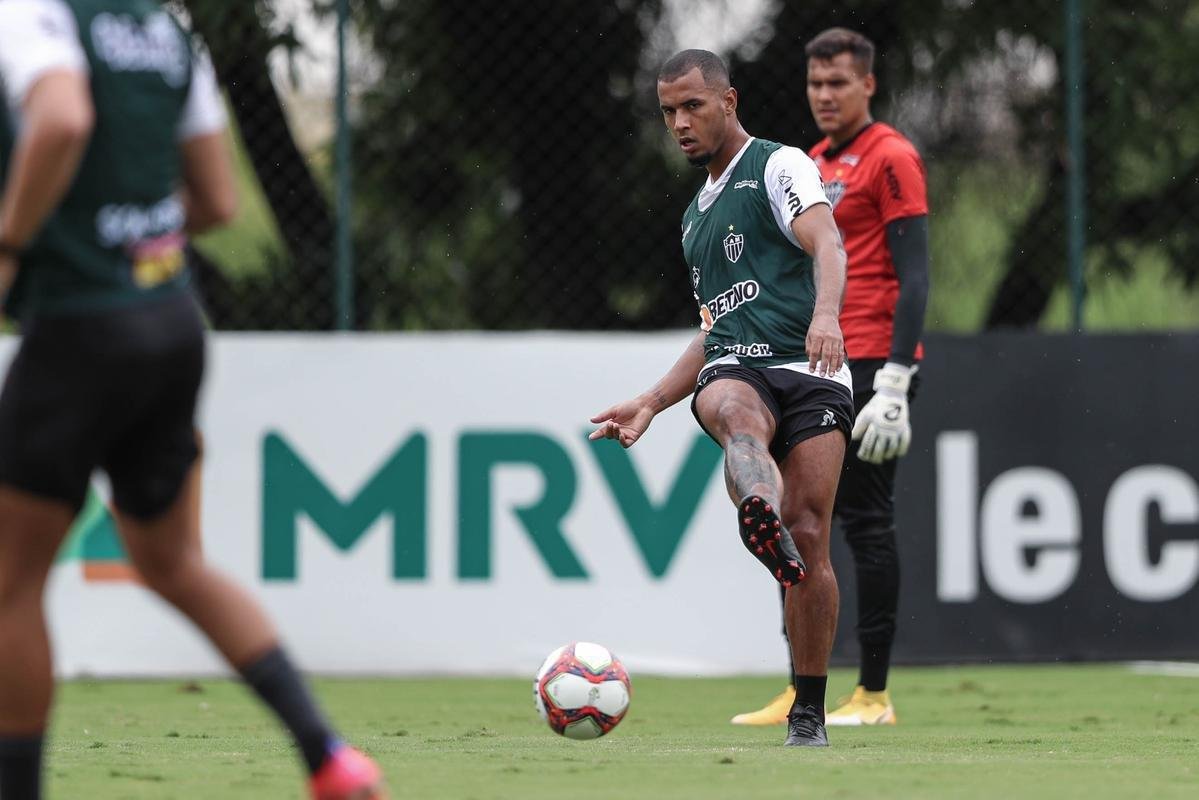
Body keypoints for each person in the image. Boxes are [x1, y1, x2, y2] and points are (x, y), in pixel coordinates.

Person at [0, 2, 384, 798]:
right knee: (172, 563)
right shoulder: (171, 36)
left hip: (78, 331)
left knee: (10, 583)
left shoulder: (34, 16)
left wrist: (12, 243)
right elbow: (216, 202)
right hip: (171, 323)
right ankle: (330, 759)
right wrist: (124, 228)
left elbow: (63, 117)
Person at [590, 49, 853, 747]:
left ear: (728, 101)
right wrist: (651, 399)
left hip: (813, 365)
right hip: (737, 366)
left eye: (691, 107)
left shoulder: (777, 165)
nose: (678, 122)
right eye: (667, 111)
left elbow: (827, 243)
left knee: (809, 536)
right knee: (737, 415)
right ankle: (756, 507)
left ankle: (807, 712)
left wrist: (825, 315)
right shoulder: (692, 221)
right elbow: (714, 333)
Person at [730, 28, 929, 728]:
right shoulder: (807, 163)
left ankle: (872, 693)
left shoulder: (891, 155)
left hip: (870, 360)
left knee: (867, 522)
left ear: (867, 84)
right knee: (791, 520)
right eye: (814, 84)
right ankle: (799, 682)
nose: (823, 96)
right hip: (805, 360)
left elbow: (915, 275)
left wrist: (898, 378)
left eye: (837, 83)